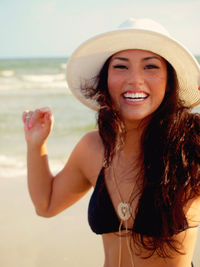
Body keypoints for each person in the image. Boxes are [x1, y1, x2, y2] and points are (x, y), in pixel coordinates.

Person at [22, 18, 200, 267]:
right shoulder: (93, 147)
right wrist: (35, 144)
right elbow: (46, 205)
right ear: (105, 78)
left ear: (170, 79)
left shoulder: (191, 145)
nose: (135, 79)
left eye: (150, 67)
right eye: (121, 66)